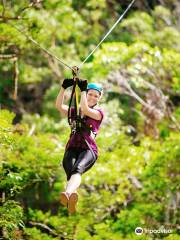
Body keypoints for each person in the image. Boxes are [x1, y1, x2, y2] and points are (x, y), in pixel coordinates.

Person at [55, 78, 104, 213]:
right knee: (70, 173)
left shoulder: (98, 114)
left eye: (96, 96)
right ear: (86, 94)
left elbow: (86, 110)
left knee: (78, 169)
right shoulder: (74, 112)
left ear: (99, 99)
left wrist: (82, 91)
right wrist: (63, 87)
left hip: (88, 149)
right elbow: (59, 106)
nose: (93, 97)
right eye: (90, 94)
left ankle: (68, 193)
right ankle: (72, 197)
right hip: (72, 147)